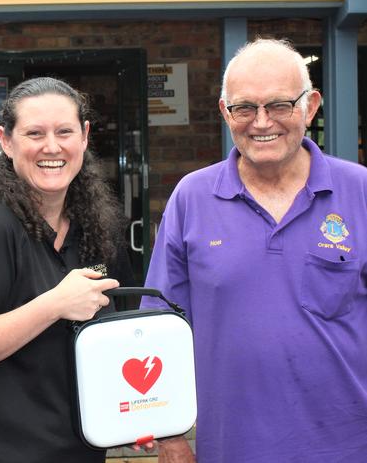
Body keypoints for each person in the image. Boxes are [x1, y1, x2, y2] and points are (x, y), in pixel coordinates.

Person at [142, 37, 367, 462]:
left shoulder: (360, 191)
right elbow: (157, 330)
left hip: (349, 446)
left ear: (311, 106)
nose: (262, 122)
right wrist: (170, 437)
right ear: (226, 112)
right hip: (230, 448)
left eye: (280, 105)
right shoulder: (192, 198)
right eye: (244, 107)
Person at [0, 77, 143, 462]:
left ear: (84, 136)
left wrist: (137, 409)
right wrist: (54, 305)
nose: (52, 146)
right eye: (34, 133)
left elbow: (123, 335)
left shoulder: (100, 229)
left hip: (82, 451)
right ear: (7, 141)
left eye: (64, 131)